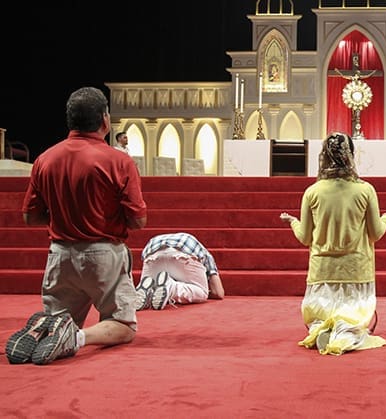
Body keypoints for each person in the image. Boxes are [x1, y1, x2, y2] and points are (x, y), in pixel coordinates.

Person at [5, 87, 147, 365]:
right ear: (105, 120)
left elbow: (30, 217)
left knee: (56, 321)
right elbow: (138, 221)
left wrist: (64, 214)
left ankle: (43, 331)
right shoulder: (118, 161)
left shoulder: (45, 159)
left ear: (70, 120)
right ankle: (77, 338)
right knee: (123, 325)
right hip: (104, 255)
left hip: (60, 256)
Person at [279, 132, 386, 355]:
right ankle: (344, 335)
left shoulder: (312, 192)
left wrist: (293, 222)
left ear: (323, 156)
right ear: (351, 155)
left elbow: (305, 238)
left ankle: (320, 329)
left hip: (322, 268)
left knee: (319, 315)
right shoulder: (365, 190)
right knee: (353, 320)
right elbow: (376, 233)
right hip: (356, 267)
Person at [135, 232, 225, 310]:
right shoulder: (205, 253)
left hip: (152, 254)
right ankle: (171, 287)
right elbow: (218, 293)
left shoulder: (154, 239)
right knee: (202, 292)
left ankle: (150, 291)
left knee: (150, 282)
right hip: (184, 253)